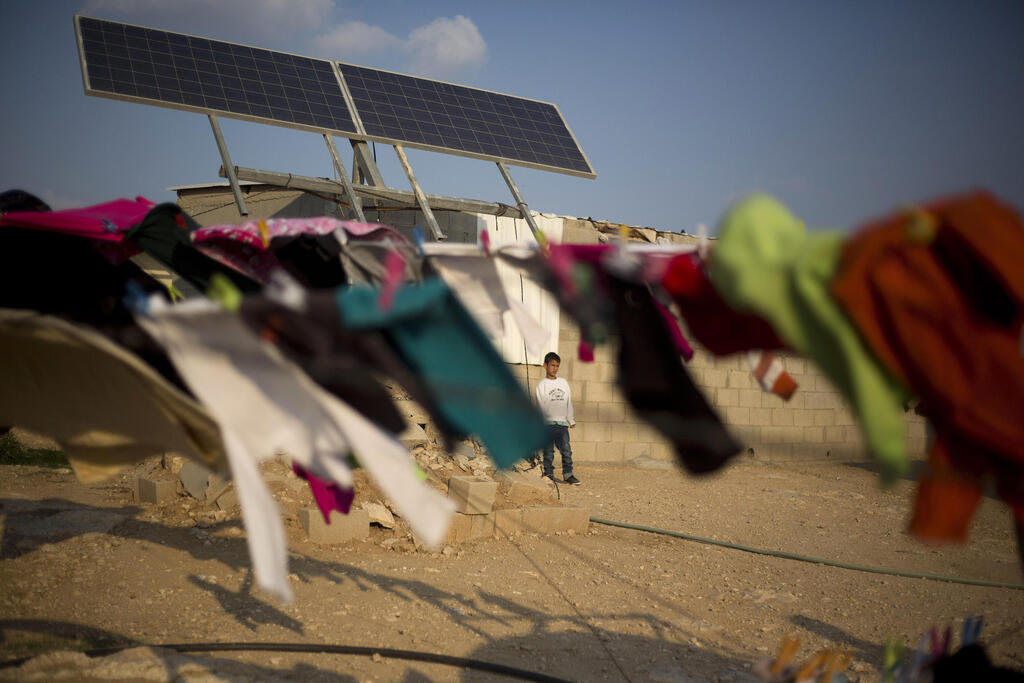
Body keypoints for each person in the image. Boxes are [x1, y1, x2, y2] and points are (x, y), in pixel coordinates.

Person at [534, 351, 580, 485]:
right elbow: (540, 406)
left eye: (557, 366)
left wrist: (570, 419)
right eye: (552, 365)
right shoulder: (542, 385)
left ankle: (568, 475)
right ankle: (549, 475)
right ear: (545, 365)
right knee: (548, 452)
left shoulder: (563, 383)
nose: (555, 368)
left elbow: (568, 402)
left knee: (566, 451)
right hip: (548, 425)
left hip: (562, 425)